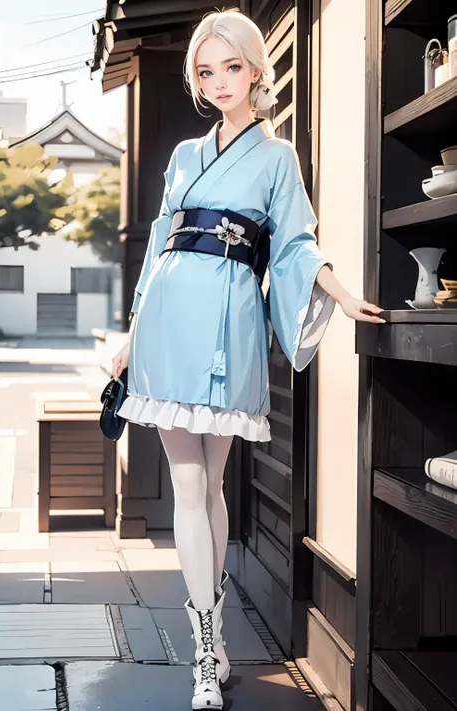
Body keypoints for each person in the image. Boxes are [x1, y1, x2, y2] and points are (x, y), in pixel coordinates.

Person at [111, 9, 383, 710]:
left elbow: (294, 244)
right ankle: (206, 650)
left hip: (230, 323)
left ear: (257, 68)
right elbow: (156, 253)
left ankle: (215, 636)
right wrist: (128, 335)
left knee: (214, 483)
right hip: (170, 318)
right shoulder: (182, 158)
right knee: (188, 479)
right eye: (206, 71)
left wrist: (341, 291)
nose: (219, 81)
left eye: (232, 66)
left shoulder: (277, 157)